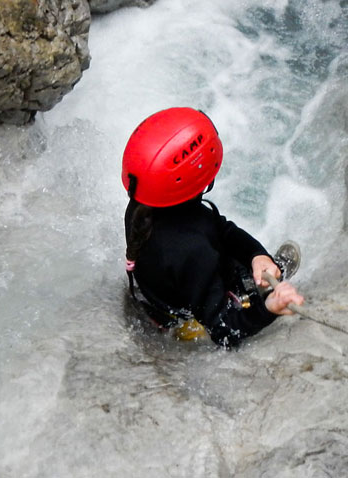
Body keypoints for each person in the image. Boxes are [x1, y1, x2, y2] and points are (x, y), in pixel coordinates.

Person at [121, 107, 304, 348]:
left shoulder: (142, 208)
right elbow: (224, 329)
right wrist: (268, 308)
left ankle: (260, 271)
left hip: (167, 295)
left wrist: (257, 255)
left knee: (228, 255)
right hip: (196, 307)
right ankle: (258, 292)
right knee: (236, 287)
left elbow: (223, 230)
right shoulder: (193, 250)